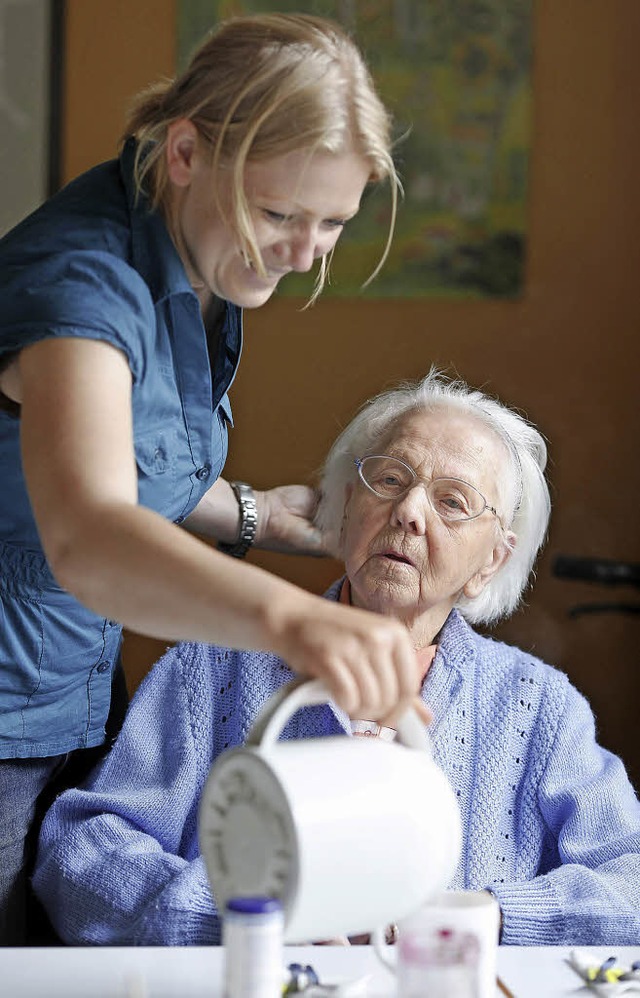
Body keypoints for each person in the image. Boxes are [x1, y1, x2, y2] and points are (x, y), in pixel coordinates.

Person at [0, 13, 423, 945]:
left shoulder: (196, 249)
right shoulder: (81, 288)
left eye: (335, 223)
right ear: (187, 150)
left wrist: (263, 515)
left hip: (69, 685)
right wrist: (293, 616)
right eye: (280, 215)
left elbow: (127, 455)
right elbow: (88, 532)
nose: (308, 252)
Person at [33, 369, 640, 946]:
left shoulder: (539, 706)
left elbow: (628, 881)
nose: (408, 511)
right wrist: (251, 919)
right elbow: (81, 857)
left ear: (492, 562)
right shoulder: (213, 668)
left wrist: (487, 917)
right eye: (391, 479)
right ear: (347, 507)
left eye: (452, 502)